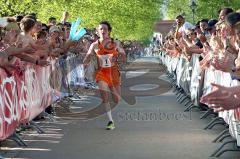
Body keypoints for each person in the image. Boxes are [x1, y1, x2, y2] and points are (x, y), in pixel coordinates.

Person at [83, 21, 126, 130]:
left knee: (116, 99)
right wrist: (85, 61)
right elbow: (87, 56)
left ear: (109, 31)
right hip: (101, 73)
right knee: (105, 97)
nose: (102, 31)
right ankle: (110, 121)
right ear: (97, 31)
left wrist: (121, 57)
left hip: (113, 72)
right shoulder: (94, 45)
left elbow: (123, 54)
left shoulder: (115, 43)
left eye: (105, 29)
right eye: (100, 29)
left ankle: (111, 115)